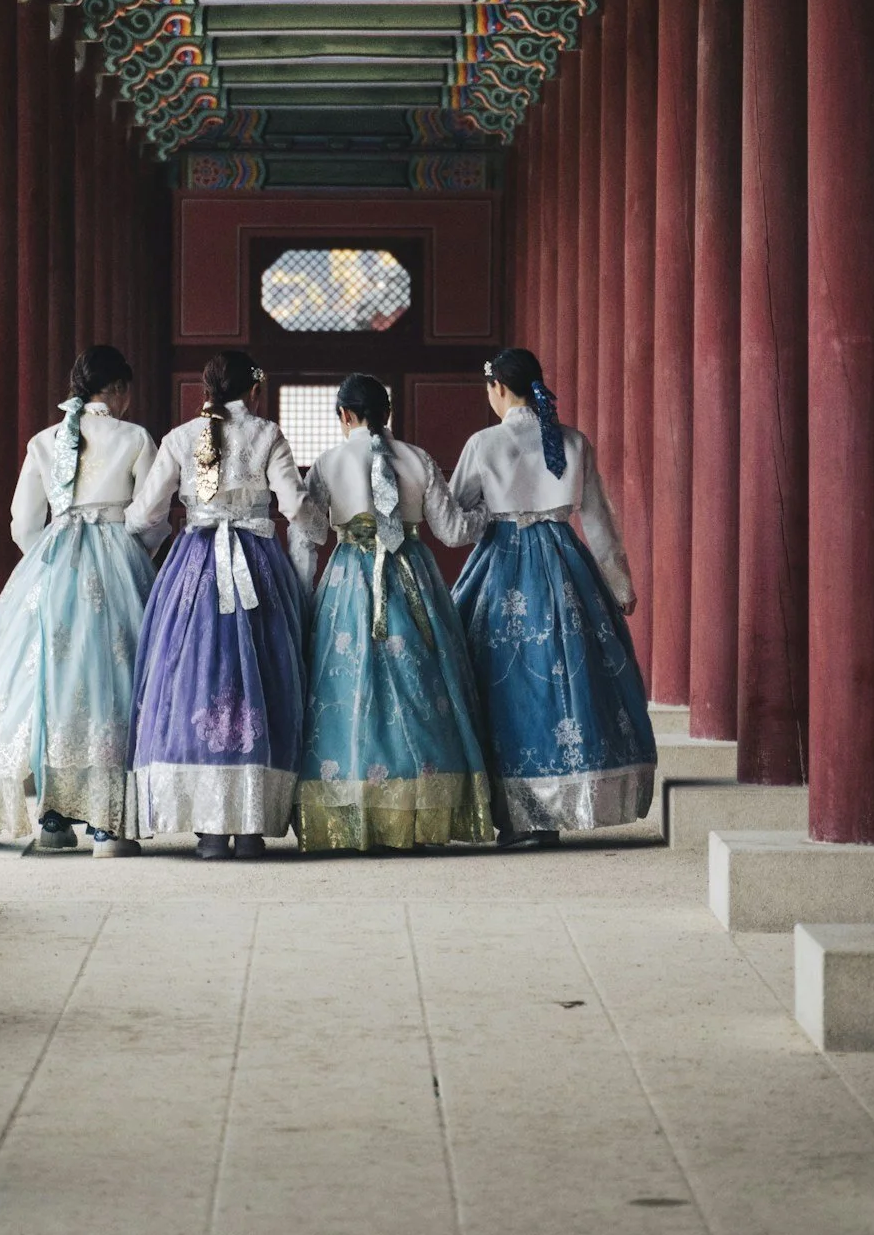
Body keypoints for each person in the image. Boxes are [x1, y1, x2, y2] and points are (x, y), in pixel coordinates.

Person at [0, 345, 166, 855]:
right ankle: (109, 825)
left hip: (54, 562)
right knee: (116, 682)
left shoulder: (44, 441)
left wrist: (48, 559)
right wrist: (134, 555)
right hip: (118, 558)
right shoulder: (134, 437)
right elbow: (152, 517)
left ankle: (52, 818)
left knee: (48, 681)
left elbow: (23, 521)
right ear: (116, 390)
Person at [449, 346, 656, 846]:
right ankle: (560, 802)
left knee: (500, 682)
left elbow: (455, 513)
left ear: (498, 388)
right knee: (566, 681)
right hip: (565, 566)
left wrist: (494, 519)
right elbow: (598, 519)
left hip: (499, 567)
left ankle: (514, 812)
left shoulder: (484, 443)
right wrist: (619, 584)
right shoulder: (573, 441)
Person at [287, 374, 496, 854]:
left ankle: (351, 806)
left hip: (347, 586)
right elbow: (452, 530)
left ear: (344, 415)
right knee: (422, 684)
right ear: (389, 413)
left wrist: (302, 600)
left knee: (348, 685)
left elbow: (307, 537)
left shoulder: (327, 462)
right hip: (413, 577)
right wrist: (494, 512)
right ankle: (425, 806)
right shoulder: (417, 458)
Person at [125, 351, 310, 860]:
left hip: (194, 565)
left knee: (193, 678)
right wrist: (316, 528)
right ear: (254, 391)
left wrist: (153, 534)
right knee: (262, 679)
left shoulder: (181, 437)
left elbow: (144, 514)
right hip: (257, 564)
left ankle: (208, 829)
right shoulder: (267, 434)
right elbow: (293, 506)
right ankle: (250, 825)